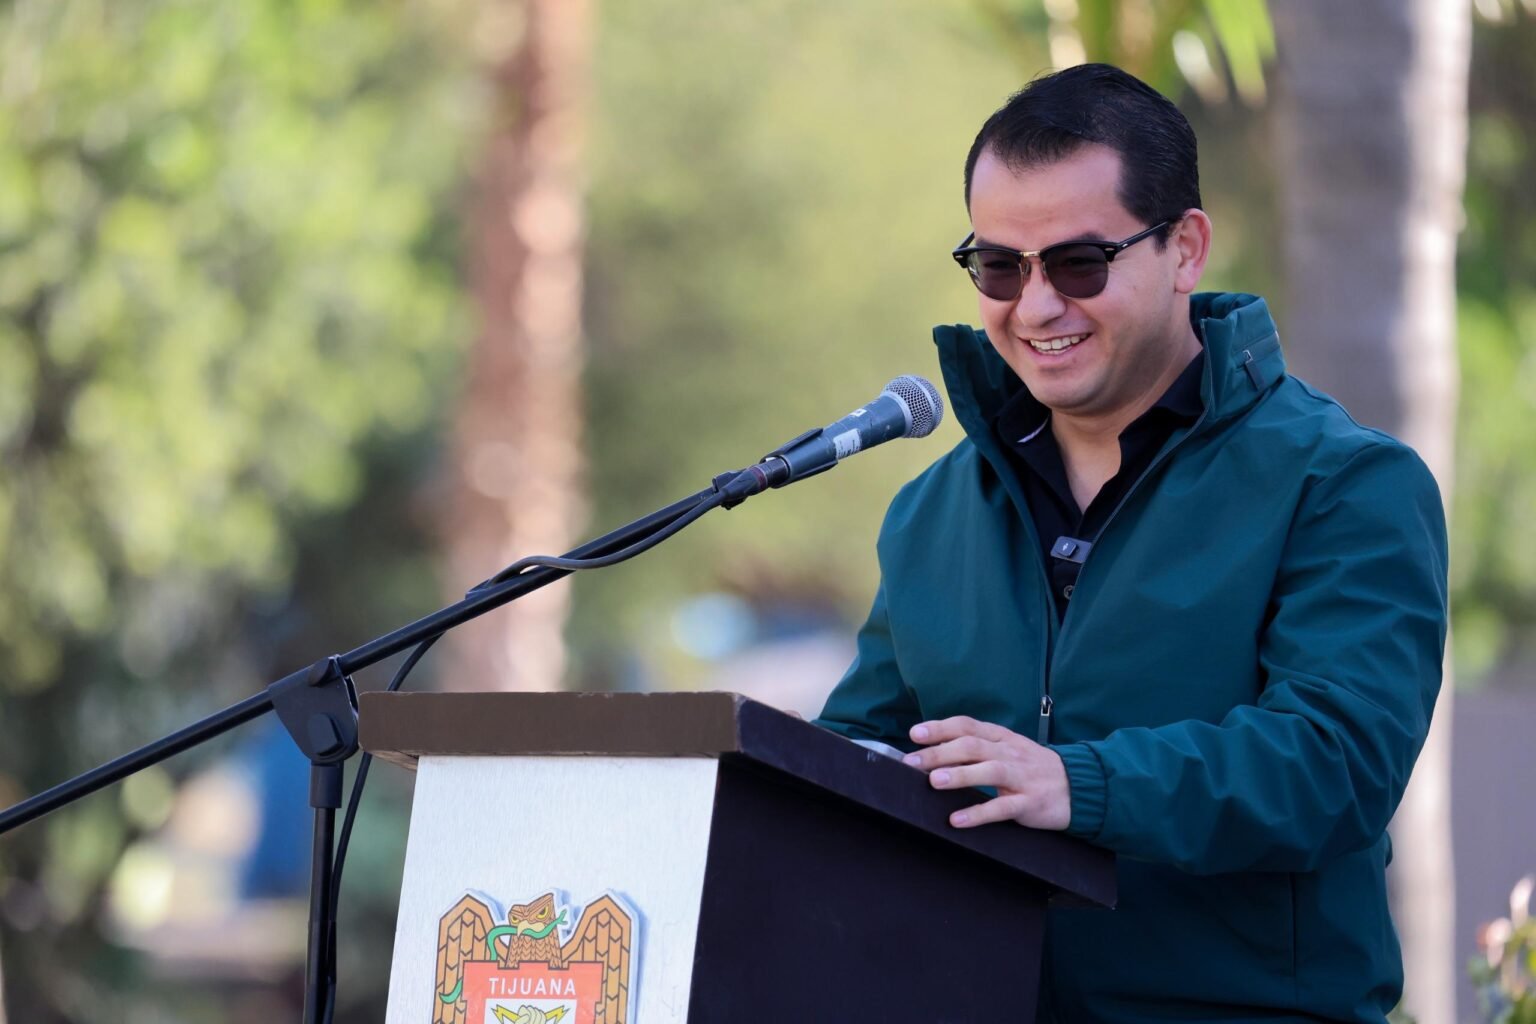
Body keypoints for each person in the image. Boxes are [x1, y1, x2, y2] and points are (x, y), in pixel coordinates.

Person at [814, 63, 1448, 1023]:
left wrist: (1080, 784)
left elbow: (1335, 764)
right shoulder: (929, 511)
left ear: (1185, 249)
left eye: (1079, 263)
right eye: (1000, 266)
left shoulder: (1345, 483)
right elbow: (854, 755)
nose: (1035, 307)